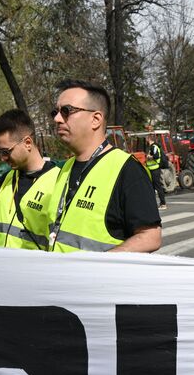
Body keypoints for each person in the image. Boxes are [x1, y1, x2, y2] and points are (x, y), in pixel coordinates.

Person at [45, 79, 160, 253]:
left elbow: (150, 237)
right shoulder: (66, 167)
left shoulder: (127, 169)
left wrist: (101, 264)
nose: (57, 118)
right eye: (55, 112)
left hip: (98, 280)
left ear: (96, 119)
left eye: (66, 111)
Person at [0, 108, 59, 249]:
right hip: (4, 268)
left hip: (36, 270)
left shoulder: (58, 181)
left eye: (6, 151)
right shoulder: (6, 178)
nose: (3, 158)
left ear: (27, 143)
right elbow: (1, 229)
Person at [146, 136, 168, 211]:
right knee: (152, 187)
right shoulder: (151, 147)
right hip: (151, 169)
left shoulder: (154, 146)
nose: (146, 140)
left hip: (155, 169)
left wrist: (149, 157)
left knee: (158, 187)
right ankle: (153, 204)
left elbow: (156, 156)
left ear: (149, 139)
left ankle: (163, 204)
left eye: (146, 138)